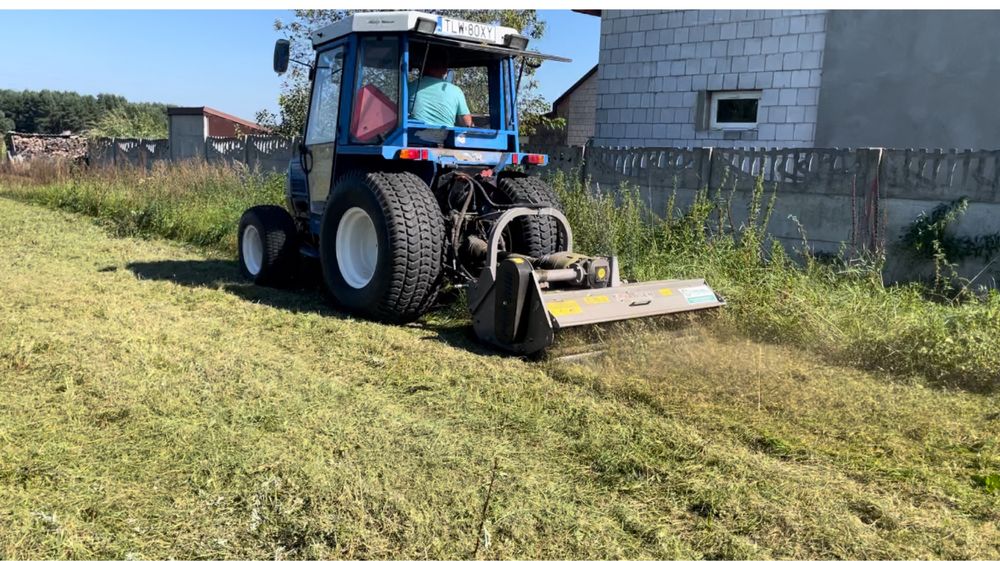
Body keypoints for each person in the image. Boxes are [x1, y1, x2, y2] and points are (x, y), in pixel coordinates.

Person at [408, 50, 474, 128]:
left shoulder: (409, 87)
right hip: (445, 138)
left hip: (411, 137)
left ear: (423, 67)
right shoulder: (456, 91)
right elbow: (467, 123)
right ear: (445, 69)